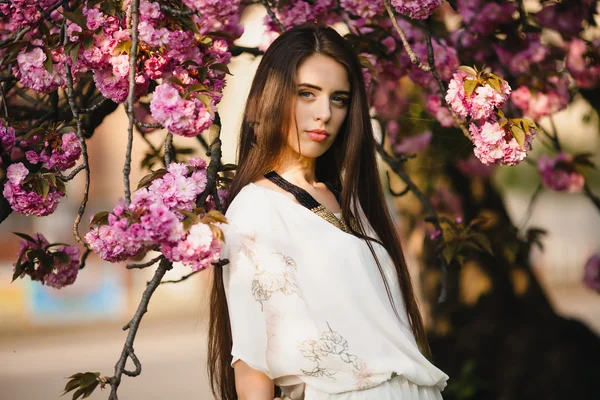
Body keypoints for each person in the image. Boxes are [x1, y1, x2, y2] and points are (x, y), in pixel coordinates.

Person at [207, 24, 448, 400]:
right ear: (269, 97)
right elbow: (252, 358)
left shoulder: (348, 200)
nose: (324, 113)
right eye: (306, 94)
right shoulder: (255, 209)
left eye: (339, 99)